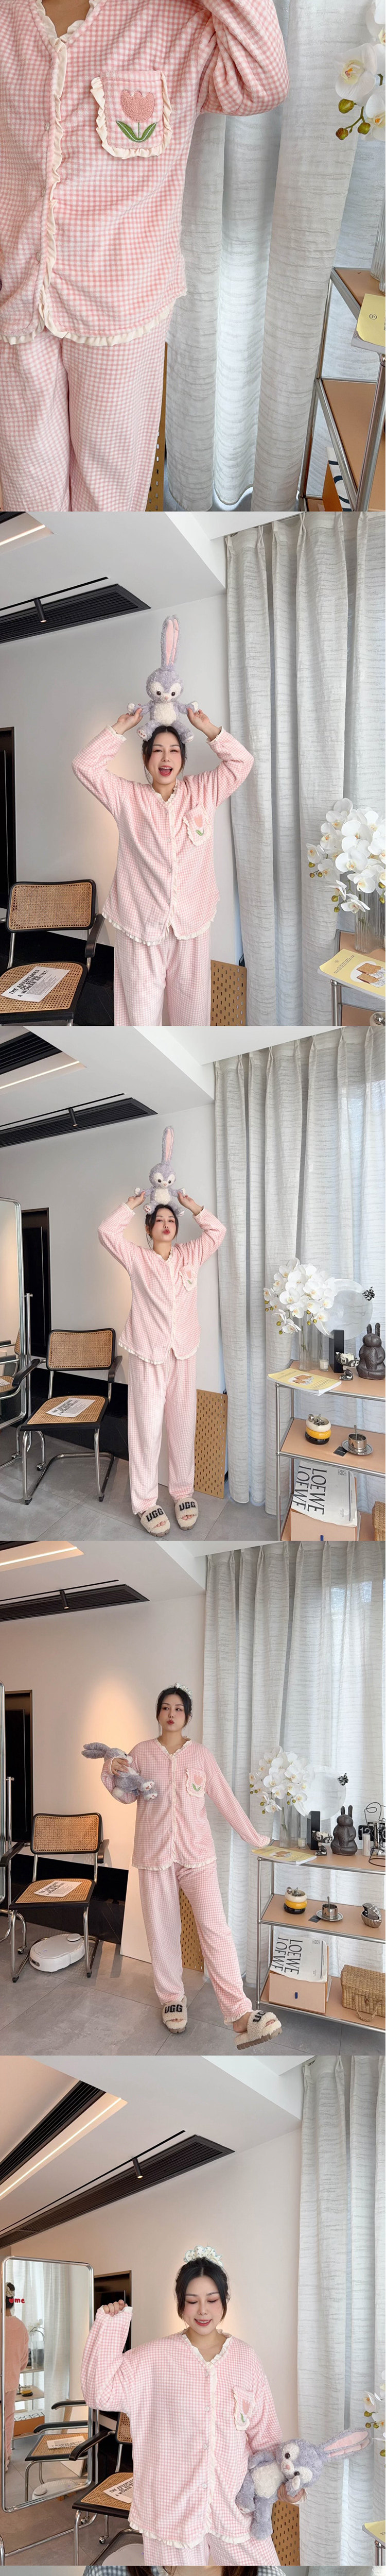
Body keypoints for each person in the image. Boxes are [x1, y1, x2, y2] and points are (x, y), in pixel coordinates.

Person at [0, 0, 289, 513]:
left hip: (123, 312)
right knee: (26, 494)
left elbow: (262, 82)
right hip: (16, 304)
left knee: (109, 496)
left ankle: (98, 568)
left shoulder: (176, 20)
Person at [86, 1683, 279, 2045]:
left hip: (197, 1855)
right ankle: (172, 1997)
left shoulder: (201, 1755)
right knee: (162, 1930)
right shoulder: (142, 1752)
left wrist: (256, 1838)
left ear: (187, 1716)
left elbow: (225, 1798)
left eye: (178, 1708)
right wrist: (112, 1767)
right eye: (165, 1707)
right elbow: (126, 1795)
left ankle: (240, 2012)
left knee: (215, 1928)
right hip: (154, 1854)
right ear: (158, 1714)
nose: (171, 1713)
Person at [80, 2249, 283, 2566]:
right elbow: (99, 2393)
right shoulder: (155, 2358)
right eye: (192, 2301)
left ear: (224, 2302)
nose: (203, 2310)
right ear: (180, 2305)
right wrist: (110, 2327)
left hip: (234, 2508)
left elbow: (265, 2434)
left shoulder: (246, 2359)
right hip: (171, 2513)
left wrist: (285, 2482)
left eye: (212, 2300)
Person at [73, 706, 253, 1026]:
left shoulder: (203, 791)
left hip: (192, 925)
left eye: (173, 751)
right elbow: (84, 766)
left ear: (183, 759)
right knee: (141, 1019)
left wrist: (209, 728)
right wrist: (120, 727)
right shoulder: (127, 798)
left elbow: (242, 762)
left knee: (191, 1018)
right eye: (157, 751)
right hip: (139, 927)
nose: (166, 758)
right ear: (146, 759)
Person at [98, 1125, 225, 1534]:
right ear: (149, 1227)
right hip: (147, 1355)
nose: (168, 1223)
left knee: (183, 1425)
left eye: (172, 1219)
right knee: (147, 1428)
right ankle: (145, 1502)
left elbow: (218, 1233)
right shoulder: (137, 1259)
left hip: (183, 1352)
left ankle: (183, 1491)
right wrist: (132, 1204)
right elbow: (106, 1233)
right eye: (160, 1219)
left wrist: (194, 1206)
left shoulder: (191, 1255)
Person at [4, 2285, 29, 2470]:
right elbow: (23, 2362)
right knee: (8, 2420)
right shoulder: (20, 2327)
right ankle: (5, 2458)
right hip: (11, 2381)